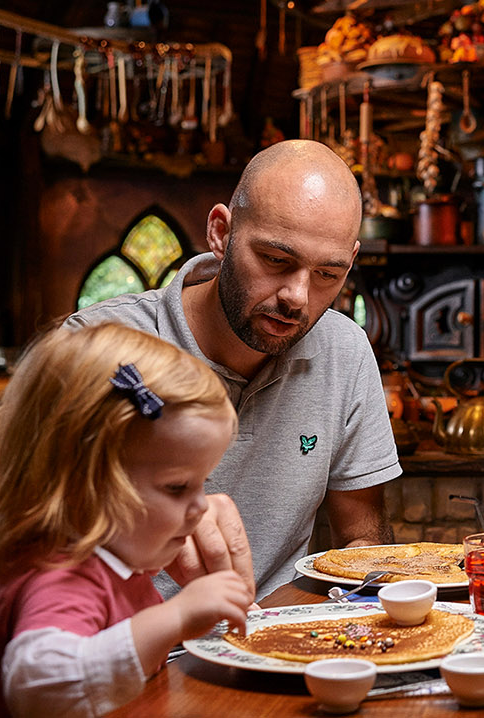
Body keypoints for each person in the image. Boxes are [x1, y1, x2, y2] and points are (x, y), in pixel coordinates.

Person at [67, 139, 401, 600]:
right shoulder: (96, 343)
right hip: (128, 651)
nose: (298, 297)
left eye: (328, 274)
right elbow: (25, 534)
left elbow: (362, 542)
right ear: (222, 233)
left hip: (281, 646)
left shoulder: (344, 350)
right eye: (276, 260)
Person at [0, 323, 252, 717]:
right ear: (82, 483)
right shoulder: (60, 572)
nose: (201, 507)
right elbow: (41, 686)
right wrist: (175, 616)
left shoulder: (117, 561)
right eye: (177, 487)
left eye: (202, 483)